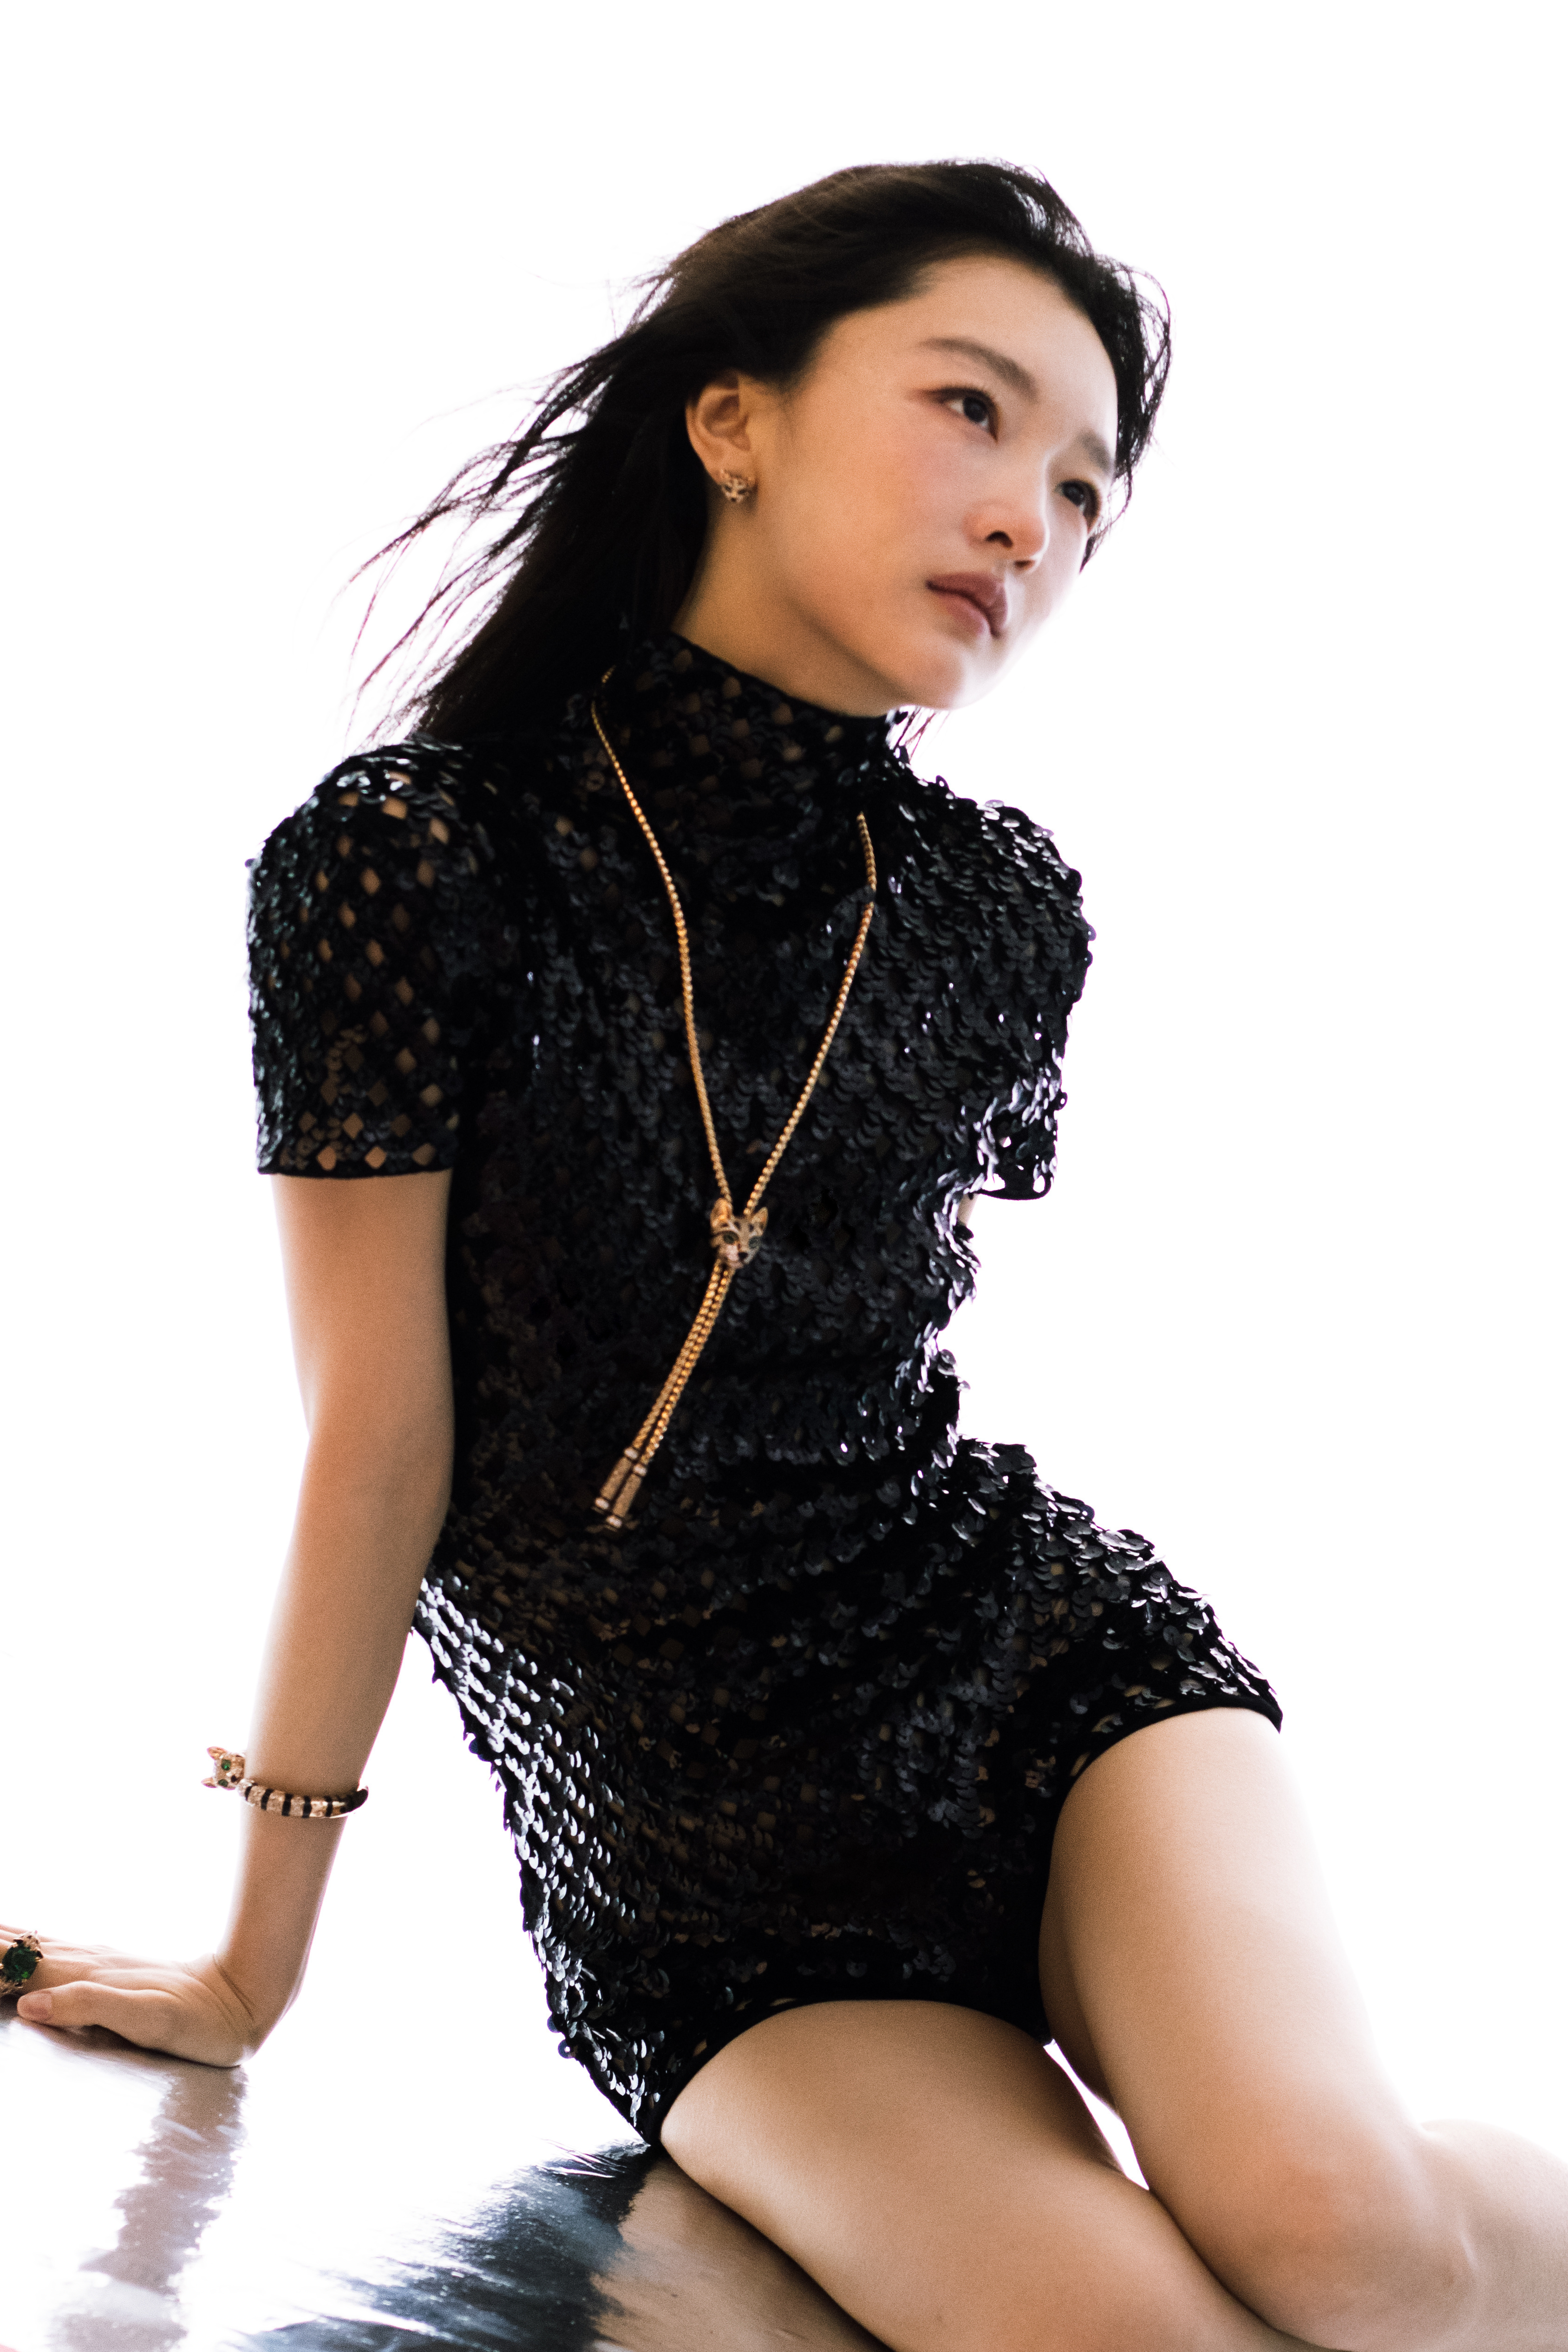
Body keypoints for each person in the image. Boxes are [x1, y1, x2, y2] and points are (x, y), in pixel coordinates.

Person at [4, 161, 1564, 2352]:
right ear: (728, 417)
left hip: (1039, 1691)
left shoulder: (989, 911)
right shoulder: (410, 860)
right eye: (971, 409)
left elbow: (844, 1365)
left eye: (1086, 492)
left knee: (1348, 2246)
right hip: (701, 1877)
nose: (1030, 520)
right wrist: (253, 1962)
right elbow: (378, 1442)